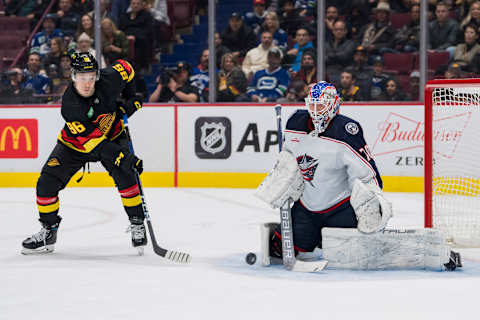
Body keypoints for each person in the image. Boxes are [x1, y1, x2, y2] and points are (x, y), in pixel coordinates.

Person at [255, 81, 462, 272]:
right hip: (306, 207)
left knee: (358, 254)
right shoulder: (295, 123)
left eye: (322, 105)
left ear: (335, 105)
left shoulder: (345, 130)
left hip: (339, 207)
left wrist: (372, 201)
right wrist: (283, 175)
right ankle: (316, 237)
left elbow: (367, 173)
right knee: (279, 250)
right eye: (314, 105)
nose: (317, 111)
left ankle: (433, 253)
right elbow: (289, 159)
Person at [21, 52, 146, 254]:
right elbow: (97, 146)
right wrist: (127, 159)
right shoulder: (70, 106)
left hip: (112, 134)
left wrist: (133, 97)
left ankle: (137, 221)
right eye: (81, 77)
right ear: (73, 77)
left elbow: (127, 67)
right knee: (46, 183)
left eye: (90, 77)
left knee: (127, 178)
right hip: (75, 145)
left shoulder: (110, 78)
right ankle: (48, 230)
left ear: (97, 75)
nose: (86, 83)